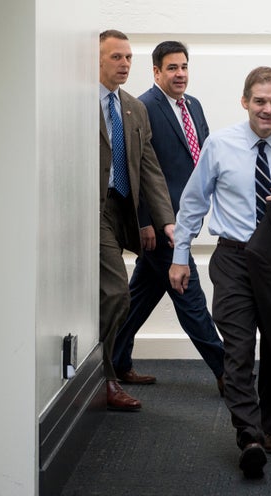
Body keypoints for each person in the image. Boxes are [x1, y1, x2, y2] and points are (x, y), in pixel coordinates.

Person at [169, 67, 271, 478]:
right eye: (259, 101)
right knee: (239, 345)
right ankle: (249, 434)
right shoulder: (220, 144)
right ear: (245, 101)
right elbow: (194, 203)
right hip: (234, 257)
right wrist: (180, 254)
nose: (268, 109)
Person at [112, 41, 225, 396]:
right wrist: (144, 220)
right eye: (172, 68)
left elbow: (203, 158)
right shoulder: (144, 107)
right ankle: (229, 373)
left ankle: (116, 363)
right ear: (157, 72)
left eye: (184, 67)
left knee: (139, 297)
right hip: (163, 225)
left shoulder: (193, 105)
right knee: (189, 296)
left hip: (185, 218)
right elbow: (137, 168)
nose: (180, 74)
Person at [99, 30, 176, 411]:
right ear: (96, 60)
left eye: (128, 57)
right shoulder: (75, 102)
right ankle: (106, 378)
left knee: (119, 297)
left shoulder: (132, 107)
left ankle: (103, 371)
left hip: (121, 211)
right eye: (116, 57)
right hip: (91, 210)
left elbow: (150, 168)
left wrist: (166, 220)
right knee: (117, 292)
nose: (125, 64)